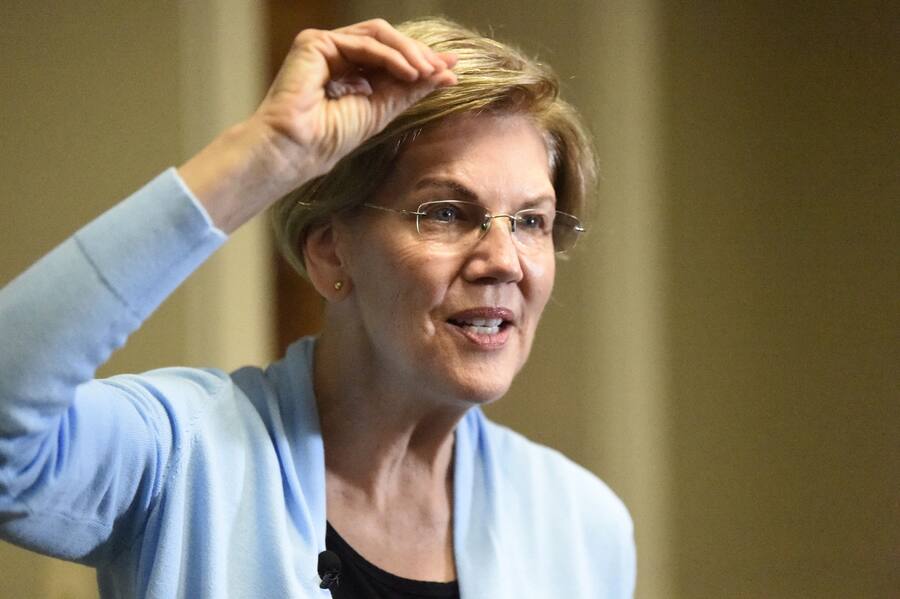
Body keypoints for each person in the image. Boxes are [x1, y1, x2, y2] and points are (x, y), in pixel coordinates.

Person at [0, 17, 635, 599]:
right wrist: (263, 155)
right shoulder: (180, 454)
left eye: (530, 221)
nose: (506, 260)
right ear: (331, 252)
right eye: (445, 212)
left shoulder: (581, 524)